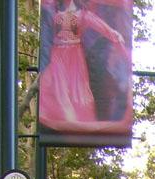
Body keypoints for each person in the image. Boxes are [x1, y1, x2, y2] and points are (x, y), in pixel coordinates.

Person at [38, 0, 131, 135]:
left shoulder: (83, 15)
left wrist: (114, 34)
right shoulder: (53, 11)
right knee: (59, 88)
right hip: (57, 55)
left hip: (74, 57)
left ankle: (71, 121)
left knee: (76, 91)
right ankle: (65, 119)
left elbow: (103, 28)